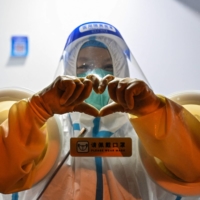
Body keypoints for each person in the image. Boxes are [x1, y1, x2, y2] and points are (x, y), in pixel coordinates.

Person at [1, 22, 200, 200]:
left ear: (123, 71)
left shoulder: (151, 136)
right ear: (69, 71)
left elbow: (193, 168)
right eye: (84, 66)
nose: (97, 75)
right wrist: (37, 110)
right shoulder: (45, 134)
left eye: (109, 66)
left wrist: (156, 113)